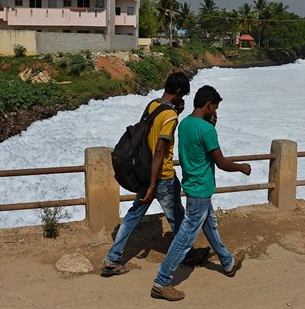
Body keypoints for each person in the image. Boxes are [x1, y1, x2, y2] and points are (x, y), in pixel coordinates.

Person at [101, 72, 209, 277]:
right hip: (162, 177)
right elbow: (160, 150)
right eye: (183, 95)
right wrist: (153, 185)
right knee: (178, 218)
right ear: (177, 91)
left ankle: (112, 259)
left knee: (133, 216)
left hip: (145, 171)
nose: (183, 98)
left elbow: (149, 136)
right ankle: (185, 255)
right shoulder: (170, 117)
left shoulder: (152, 105)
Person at [150, 85, 252, 301]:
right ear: (208, 105)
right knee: (185, 238)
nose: (215, 112)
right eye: (215, 107)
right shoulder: (206, 130)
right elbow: (221, 163)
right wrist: (242, 167)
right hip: (201, 189)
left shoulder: (185, 123)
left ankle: (228, 263)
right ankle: (161, 282)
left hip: (192, 184)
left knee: (210, 225)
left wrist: (209, 124)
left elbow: (196, 148)